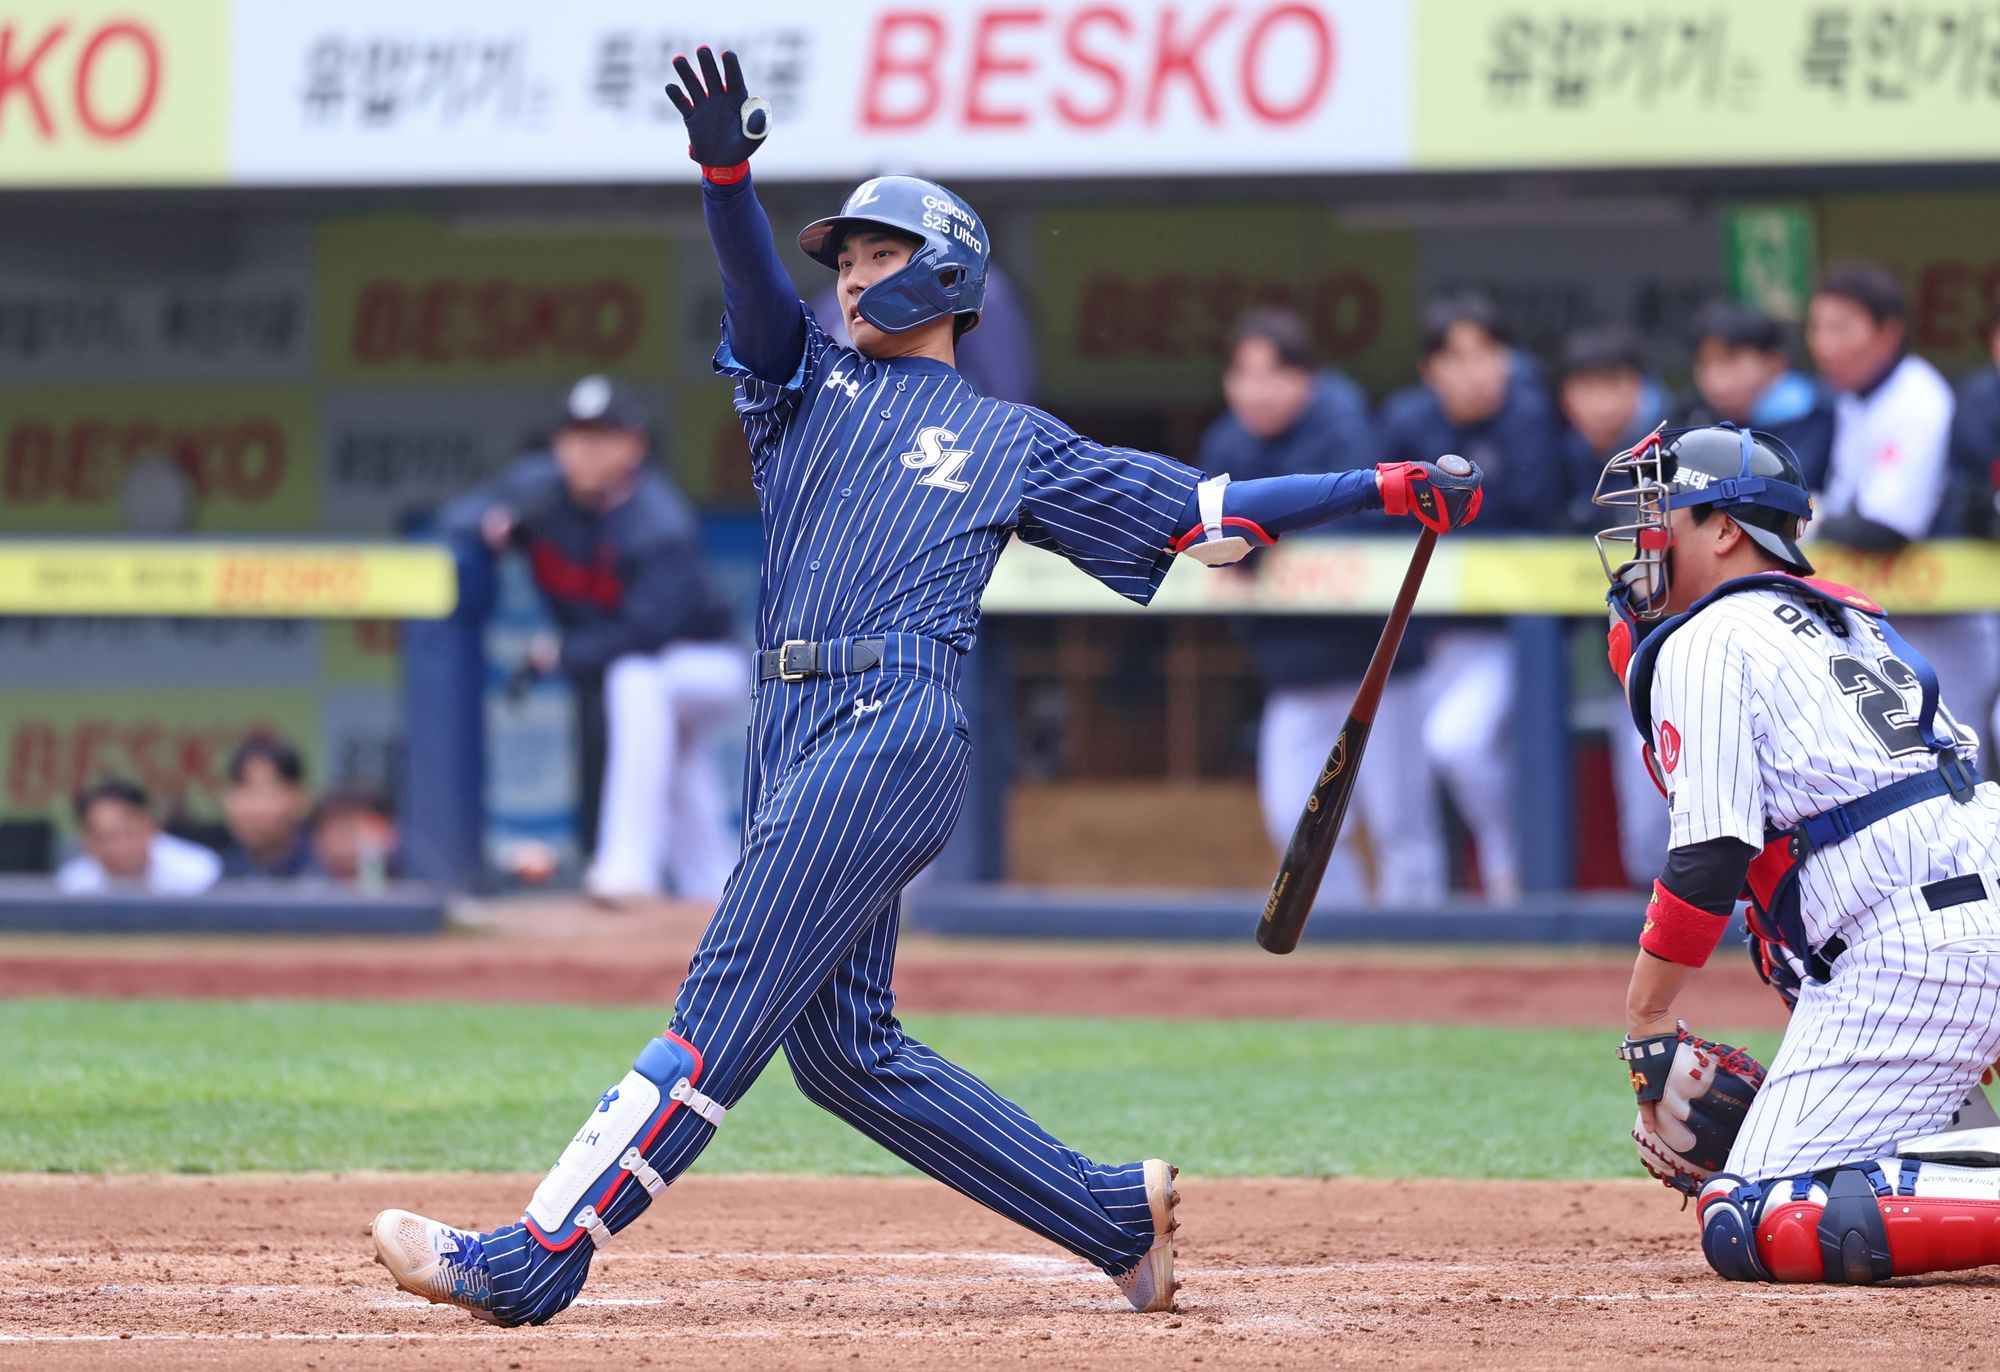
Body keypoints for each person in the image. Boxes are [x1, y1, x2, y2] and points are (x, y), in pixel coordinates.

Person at [368, 46, 1483, 1329]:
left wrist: (1382, 485)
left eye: (876, 258)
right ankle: (1110, 1214)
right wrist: (726, 176)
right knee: (842, 1056)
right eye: (842, 260)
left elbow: (1201, 513)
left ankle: (539, 1253)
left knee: (724, 994)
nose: (848, 277)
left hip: (891, 724)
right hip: (788, 726)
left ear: (945, 274)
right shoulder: (802, 380)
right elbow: (748, 281)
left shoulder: (1010, 435)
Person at [1594, 422, 2000, 1286]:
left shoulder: (1706, 636)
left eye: (1664, 509)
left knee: (1757, 1214)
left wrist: (1646, 1023)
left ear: (1726, 529)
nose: (1644, 533)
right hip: (1954, 903)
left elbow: (1709, 856)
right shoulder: (1845, 620)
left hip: (1921, 939)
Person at [443, 375, 746, 902]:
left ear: (634, 445)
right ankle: (715, 887)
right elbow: (458, 516)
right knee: (672, 755)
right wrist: (493, 523)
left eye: (601, 436)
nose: (583, 450)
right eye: (574, 435)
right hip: (642, 665)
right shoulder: (538, 489)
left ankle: (627, 869)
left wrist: (562, 654)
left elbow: (644, 634)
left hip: (705, 664)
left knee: (635, 681)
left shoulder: (659, 522)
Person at [1202, 306, 1444, 903]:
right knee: (1293, 818)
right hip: (1293, 669)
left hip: (1376, 665)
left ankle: (1421, 951)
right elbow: (1210, 533)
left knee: (1399, 822)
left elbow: (1352, 530)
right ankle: (1338, 948)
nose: (1256, 391)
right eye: (1243, 375)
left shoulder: (1347, 423)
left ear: (1305, 378)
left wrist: (1260, 539)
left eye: (1274, 374)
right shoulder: (1225, 440)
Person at [1378, 291, 1561, 900]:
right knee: (1412, 772)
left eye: (1487, 353)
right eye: (1455, 357)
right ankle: (1423, 909)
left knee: (1455, 744)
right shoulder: (1407, 421)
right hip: (1427, 632)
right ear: (1430, 369)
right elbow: (1382, 519)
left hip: (1515, 632)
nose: (1474, 370)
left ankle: (1513, 873)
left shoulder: (1532, 416)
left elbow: (1539, 521)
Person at [1806, 262, 1997, 746]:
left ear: (1888, 331)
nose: (1824, 343)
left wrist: (1810, 519)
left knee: (1950, 772)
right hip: (1885, 620)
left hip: (1942, 620)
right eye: (1818, 328)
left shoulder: (1916, 395)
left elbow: (1886, 527)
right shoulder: (1852, 400)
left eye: (1841, 328)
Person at [1555, 324, 1672, 885]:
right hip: (1613, 655)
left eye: (1613, 385)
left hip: (1682, 647)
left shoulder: (1673, 450)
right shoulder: (1567, 452)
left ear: (1637, 386)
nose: (1599, 402)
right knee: (1645, 829)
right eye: (1585, 387)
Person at [812, 260, 1035, 403]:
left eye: (882, 253)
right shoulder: (834, 303)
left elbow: (1003, 390)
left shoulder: (974, 287)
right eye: (846, 262)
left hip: (958, 442)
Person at [1675, 300, 1834, 492]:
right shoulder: (1692, 417)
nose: (1715, 379)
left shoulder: (1819, 419)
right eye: (1705, 363)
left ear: (1774, 364)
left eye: (1730, 360)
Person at [56, 778, 220, 895]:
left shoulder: (197, 872)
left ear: (150, 827)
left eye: (127, 833)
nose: (118, 849)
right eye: (104, 838)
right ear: (86, 842)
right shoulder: (72, 887)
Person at [219, 735, 317, 880]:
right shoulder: (218, 873)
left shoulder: (325, 871)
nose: (252, 811)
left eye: (266, 793)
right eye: (243, 791)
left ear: (300, 799)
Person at [308, 784, 400, 889]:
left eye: (351, 829)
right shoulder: (303, 892)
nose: (341, 845)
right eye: (335, 830)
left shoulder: (412, 892)